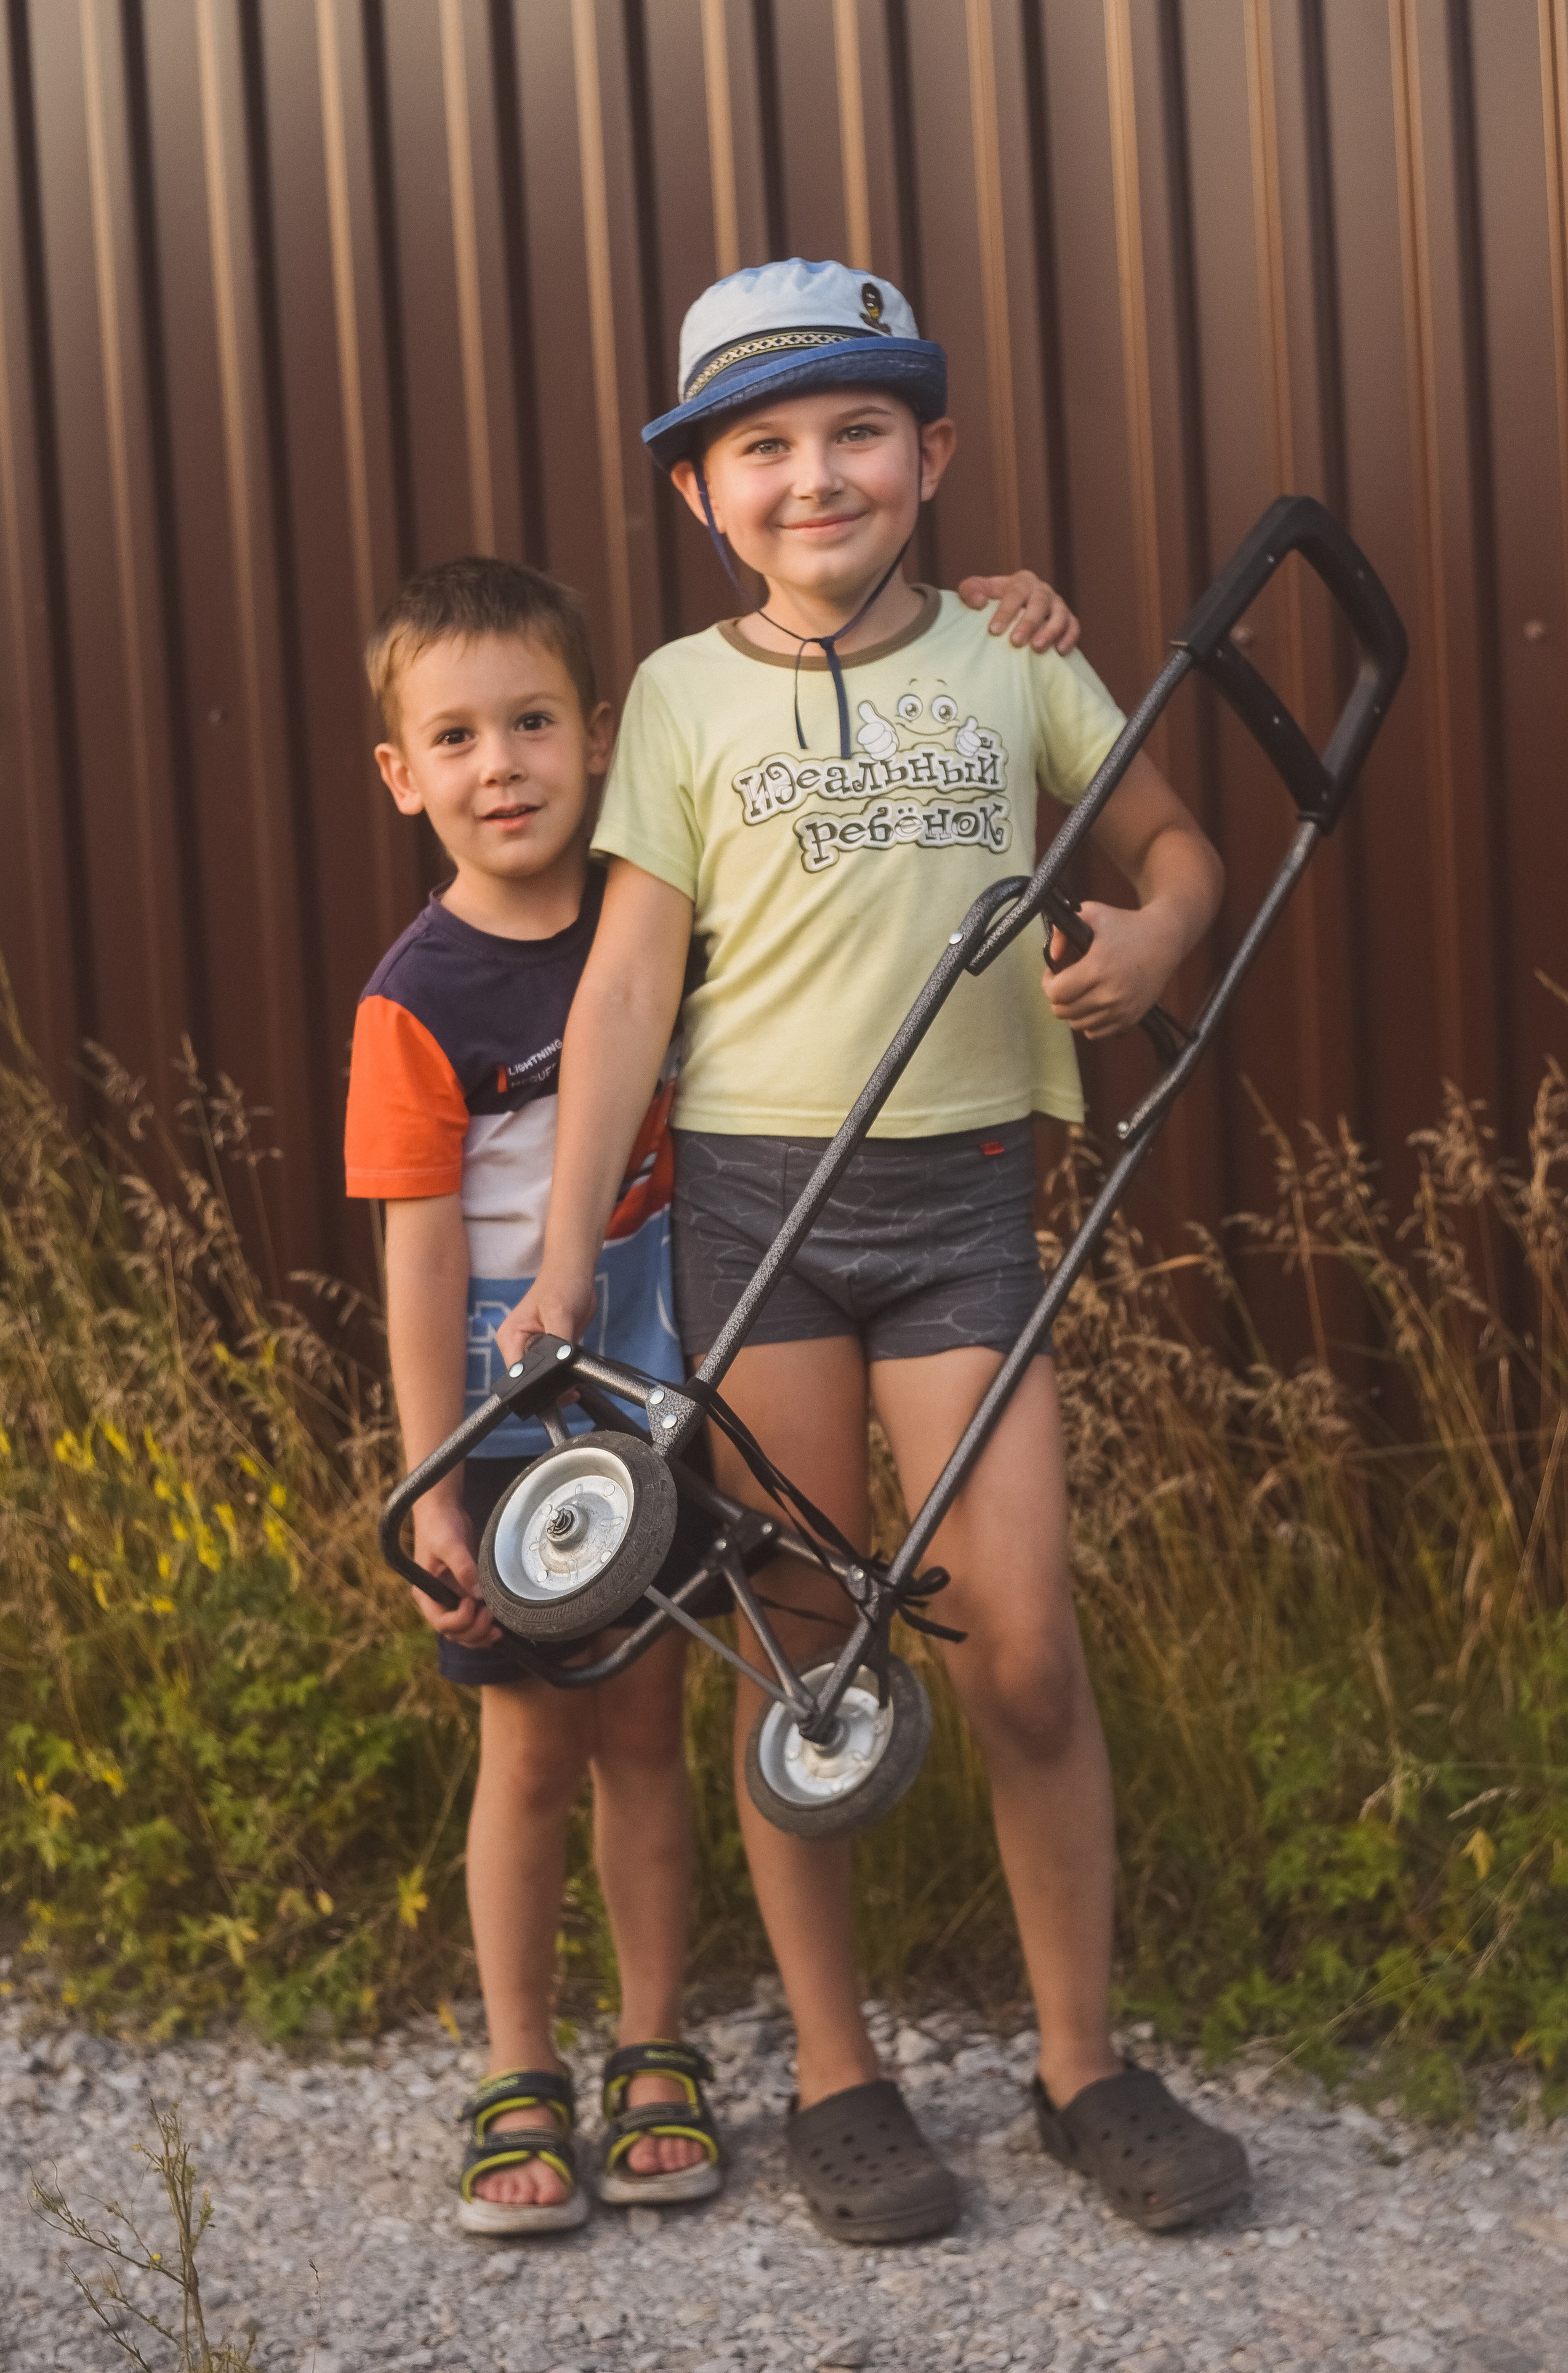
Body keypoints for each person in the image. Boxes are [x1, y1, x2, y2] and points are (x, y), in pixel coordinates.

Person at [499, 258, 1253, 2246]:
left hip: (961, 1213)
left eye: (856, 433)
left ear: (931, 454)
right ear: (702, 496)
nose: (814, 477)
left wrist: (1161, 935)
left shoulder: (1016, 662)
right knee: (801, 1652)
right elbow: (629, 989)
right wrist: (569, 1260)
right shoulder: (676, 697)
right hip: (763, 1222)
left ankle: (1082, 2064)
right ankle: (840, 2076)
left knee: (1021, 1650)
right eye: (765, 448)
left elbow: (1178, 848)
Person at [346, 548, 1084, 2234]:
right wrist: (434, 1476)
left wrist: (1017, 616)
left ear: (600, 736)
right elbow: (415, 1258)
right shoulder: (418, 1000)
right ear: (401, 776)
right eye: (452, 740)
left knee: (652, 1726)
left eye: (530, 723)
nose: (500, 766)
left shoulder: (650, 915)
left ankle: (655, 2040)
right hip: (516, 1403)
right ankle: (519, 2062)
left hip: (670, 1370)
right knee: (532, 1742)